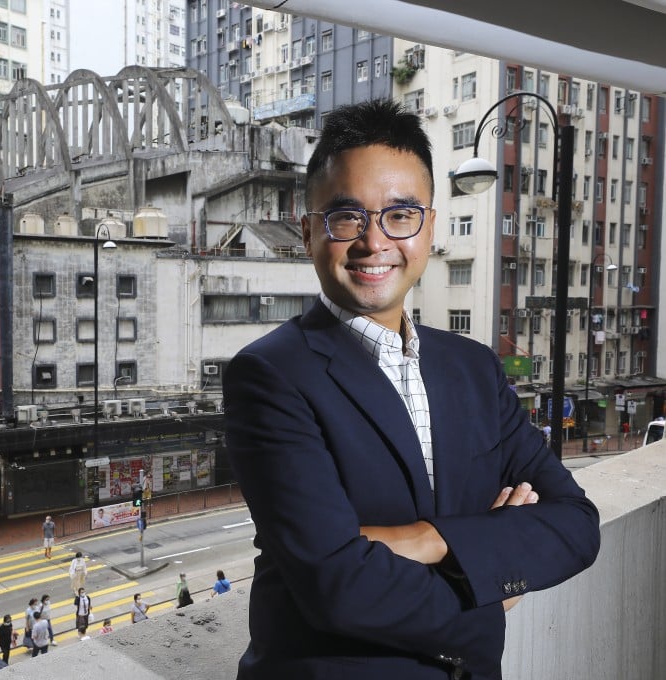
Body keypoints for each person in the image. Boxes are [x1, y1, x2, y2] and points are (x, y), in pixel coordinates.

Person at [223, 99, 601, 679]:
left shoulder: (473, 368)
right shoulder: (271, 374)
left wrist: (424, 540)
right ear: (307, 232)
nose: (374, 243)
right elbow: (337, 584)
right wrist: (488, 574)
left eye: (400, 215)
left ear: (428, 226)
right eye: (346, 217)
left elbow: (575, 523)